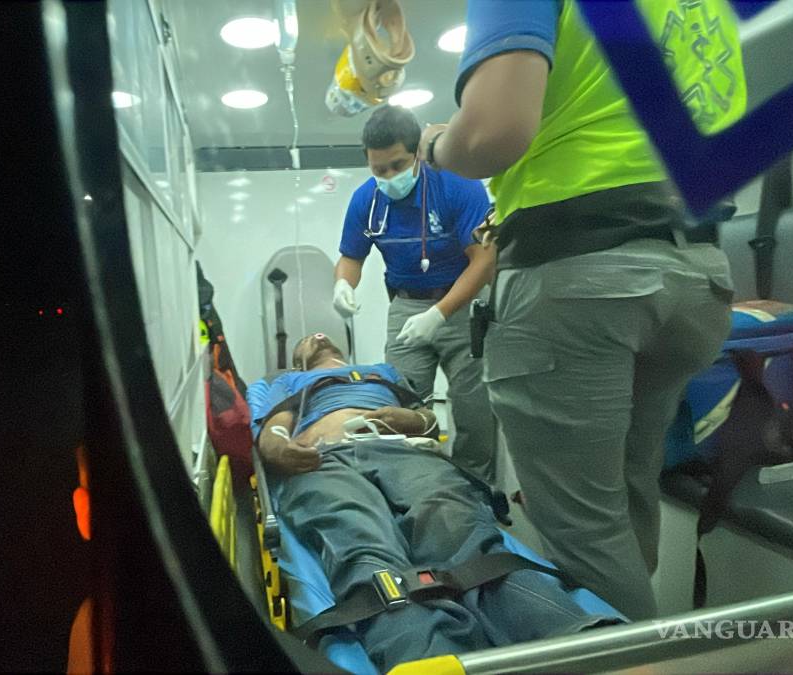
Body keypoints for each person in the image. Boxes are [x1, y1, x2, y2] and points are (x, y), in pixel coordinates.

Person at [414, 0, 746, 620]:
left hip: (581, 276)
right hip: (695, 274)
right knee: (627, 492)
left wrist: (434, 145)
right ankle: (638, 627)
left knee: (586, 532)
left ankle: (630, 653)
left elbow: (490, 132)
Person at [247, 333, 618, 672]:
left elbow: (427, 421)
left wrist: (409, 418)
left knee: (452, 522)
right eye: (306, 340)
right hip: (323, 460)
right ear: (298, 362)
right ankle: (425, 657)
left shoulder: (383, 372)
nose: (318, 335)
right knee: (361, 540)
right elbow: (274, 429)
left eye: (322, 334)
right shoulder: (289, 382)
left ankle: (572, 641)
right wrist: (278, 447)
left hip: (403, 451)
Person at [332, 104, 499, 483]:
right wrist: (343, 284)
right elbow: (351, 257)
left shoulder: (457, 185)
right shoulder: (366, 200)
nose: (389, 177)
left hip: (464, 304)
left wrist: (440, 313)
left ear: (419, 154)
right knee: (401, 405)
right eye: (379, 170)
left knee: (474, 409)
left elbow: (484, 260)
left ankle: (476, 490)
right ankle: (416, 485)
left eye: (398, 165)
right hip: (406, 305)